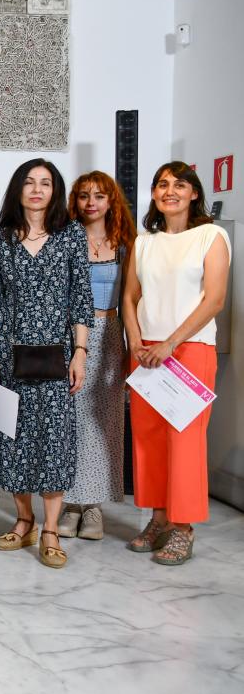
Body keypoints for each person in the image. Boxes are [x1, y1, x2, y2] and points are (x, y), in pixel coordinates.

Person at [0, 159, 93, 569]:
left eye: (45, 183)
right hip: (9, 354)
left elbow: (81, 296)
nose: (37, 189)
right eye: (29, 182)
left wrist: (80, 352)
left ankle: (50, 528)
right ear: (18, 189)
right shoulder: (0, 238)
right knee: (13, 439)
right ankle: (24, 520)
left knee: (54, 439)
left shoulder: (70, 235)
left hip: (56, 353)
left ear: (54, 191)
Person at [122, 161, 230, 566]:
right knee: (147, 437)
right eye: (162, 185)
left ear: (194, 193)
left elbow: (214, 299)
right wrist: (135, 338)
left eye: (180, 185)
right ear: (153, 195)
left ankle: (184, 528)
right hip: (147, 350)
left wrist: (170, 342)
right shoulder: (144, 242)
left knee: (184, 440)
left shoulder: (211, 236)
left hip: (189, 348)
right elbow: (130, 297)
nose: (171, 191)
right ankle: (158, 519)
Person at [58, 171, 136, 541]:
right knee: (69, 421)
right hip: (71, 336)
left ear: (111, 201)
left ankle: (93, 508)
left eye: (100, 196)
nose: (92, 202)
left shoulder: (125, 244)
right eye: (85, 195)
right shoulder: (65, 239)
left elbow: (131, 300)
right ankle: (69, 504)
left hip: (109, 336)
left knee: (103, 423)